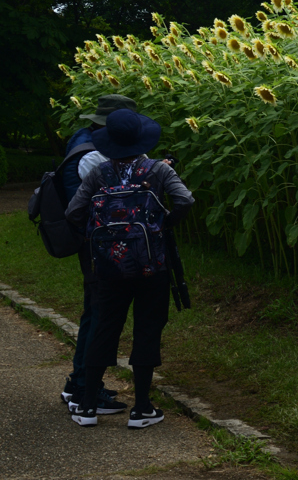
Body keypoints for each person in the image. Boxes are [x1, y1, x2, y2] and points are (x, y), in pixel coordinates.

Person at [66, 109, 195, 427]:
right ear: (141, 139)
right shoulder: (157, 171)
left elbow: (73, 211)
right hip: (153, 266)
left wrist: (103, 235)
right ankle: (141, 408)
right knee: (147, 329)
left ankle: (86, 407)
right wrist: (163, 225)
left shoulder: (99, 173)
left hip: (109, 268)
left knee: (105, 328)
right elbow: (186, 201)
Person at [60, 94, 139, 415]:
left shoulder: (82, 140)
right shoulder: (94, 156)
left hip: (87, 241)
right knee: (100, 315)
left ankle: (78, 381)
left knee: (93, 313)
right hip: (95, 246)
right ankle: (84, 388)